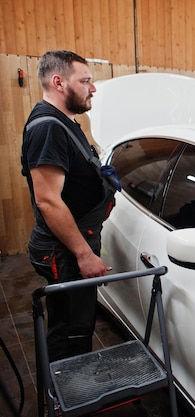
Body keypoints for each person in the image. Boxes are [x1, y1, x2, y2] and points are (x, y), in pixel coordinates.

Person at [21, 50, 117, 361]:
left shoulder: (66, 121)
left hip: (74, 242)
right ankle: (65, 399)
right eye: (86, 81)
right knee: (69, 330)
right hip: (64, 251)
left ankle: (74, 385)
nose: (93, 88)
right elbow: (48, 200)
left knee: (79, 322)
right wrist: (84, 254)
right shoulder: (47, 127)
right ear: (58, 82)